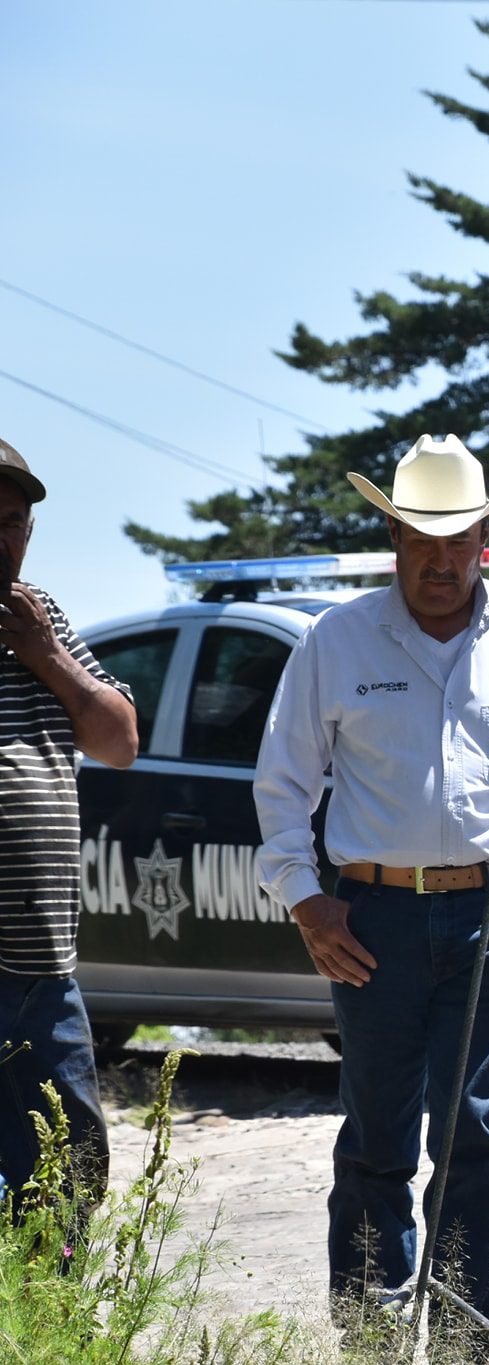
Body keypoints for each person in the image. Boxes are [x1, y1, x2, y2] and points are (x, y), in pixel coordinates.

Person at [254, 435, 489, 1350]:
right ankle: (372, 1344)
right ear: (392, 532)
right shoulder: (336, 640)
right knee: (378, 1136)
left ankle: (459, 1339)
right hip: (371, 919)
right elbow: (282, 783)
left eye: (459, 537)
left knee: (477, 1140)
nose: (441, 557)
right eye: (422, 535)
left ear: (488, 533)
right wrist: (305, 897)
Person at [0, 438, 139, 1207]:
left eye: (14, 521)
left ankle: (52, 1323)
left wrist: (45, 654)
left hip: (44, 968)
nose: (2, 538)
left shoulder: (40, 616)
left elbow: (119, 740)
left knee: (69, 1163)